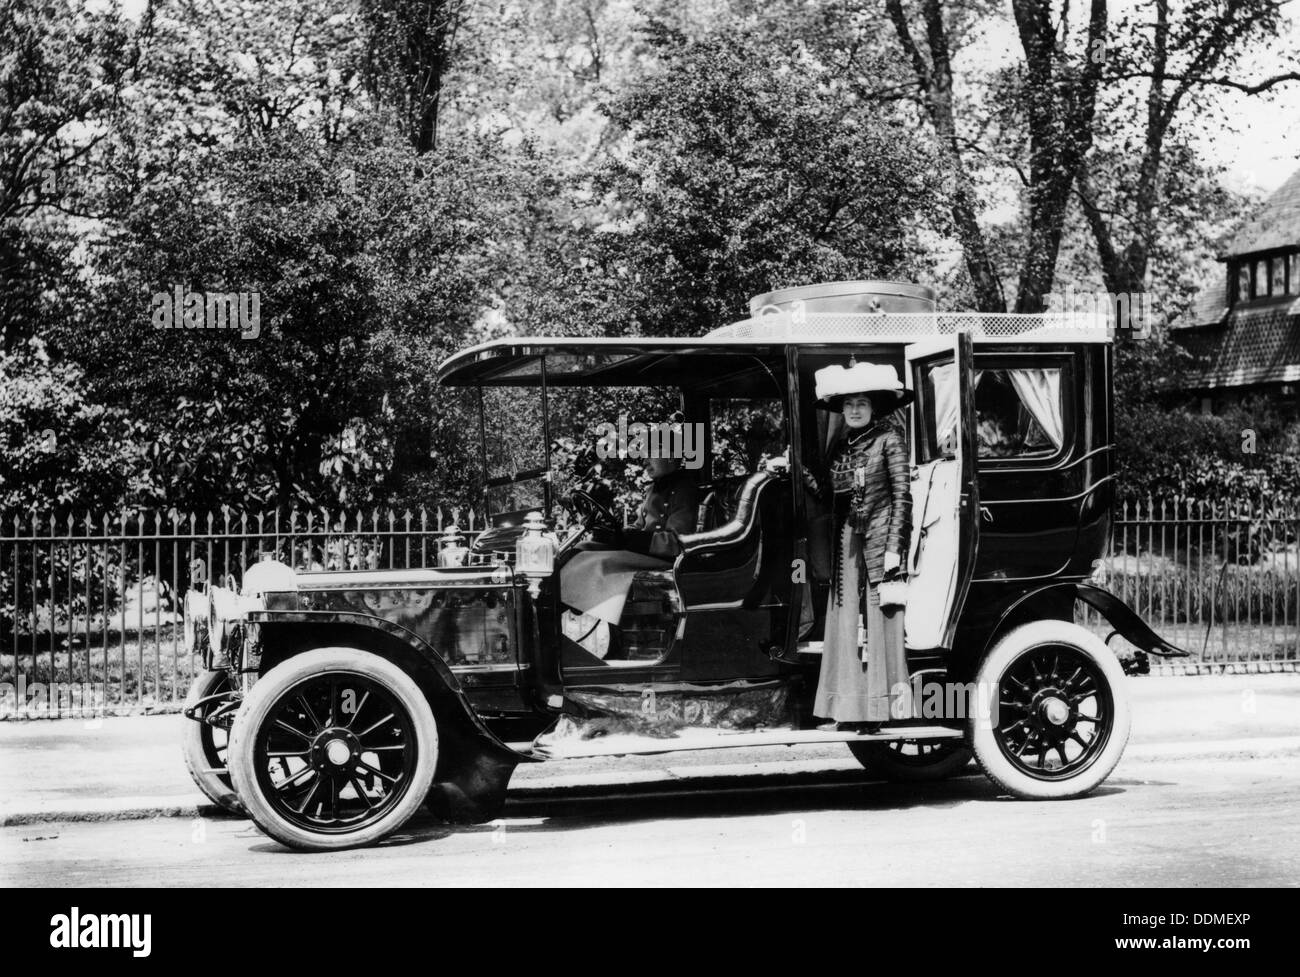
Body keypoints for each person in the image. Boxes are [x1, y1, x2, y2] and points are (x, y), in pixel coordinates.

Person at [808, 359, 914, 730]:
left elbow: (903, 496)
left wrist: (894, 549)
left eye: (862, 403)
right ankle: (847, 708)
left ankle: (877, 711)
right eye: (849, 404)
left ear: (874, 408)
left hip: (879, 544)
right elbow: (830, 493)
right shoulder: (842, 445)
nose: (854, 410)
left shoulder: (890, 440)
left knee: (877, 622)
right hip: (846, 545)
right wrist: (796, 472)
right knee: (844, 620)